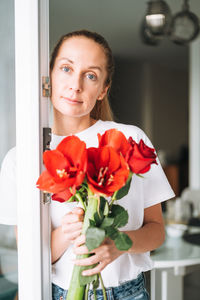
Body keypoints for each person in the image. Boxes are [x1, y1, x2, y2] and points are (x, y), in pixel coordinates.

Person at [0, 29, 175, 300]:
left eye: (90, 75)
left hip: (129, 293)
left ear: (103, 89)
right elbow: (30, 259)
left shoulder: (129, 139)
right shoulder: (20, 159)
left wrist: (118, 244)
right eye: (66, 68)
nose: (76, 85)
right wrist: (65, 233)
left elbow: (157, 232)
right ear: (48, 76)